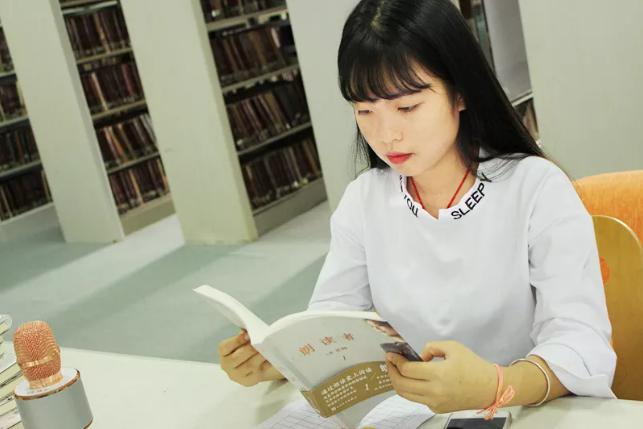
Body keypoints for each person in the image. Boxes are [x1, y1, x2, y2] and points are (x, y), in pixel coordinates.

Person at [217, 0, 616, 416]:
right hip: (407, 416)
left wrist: (496, 384)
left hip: (527, 413)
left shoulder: (536, 189)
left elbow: (581, 342)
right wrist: (282, 360)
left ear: (460, 93)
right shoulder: (364, 201)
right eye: (365, 110)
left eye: (407, 107)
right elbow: (331, 322)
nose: (386, 134)